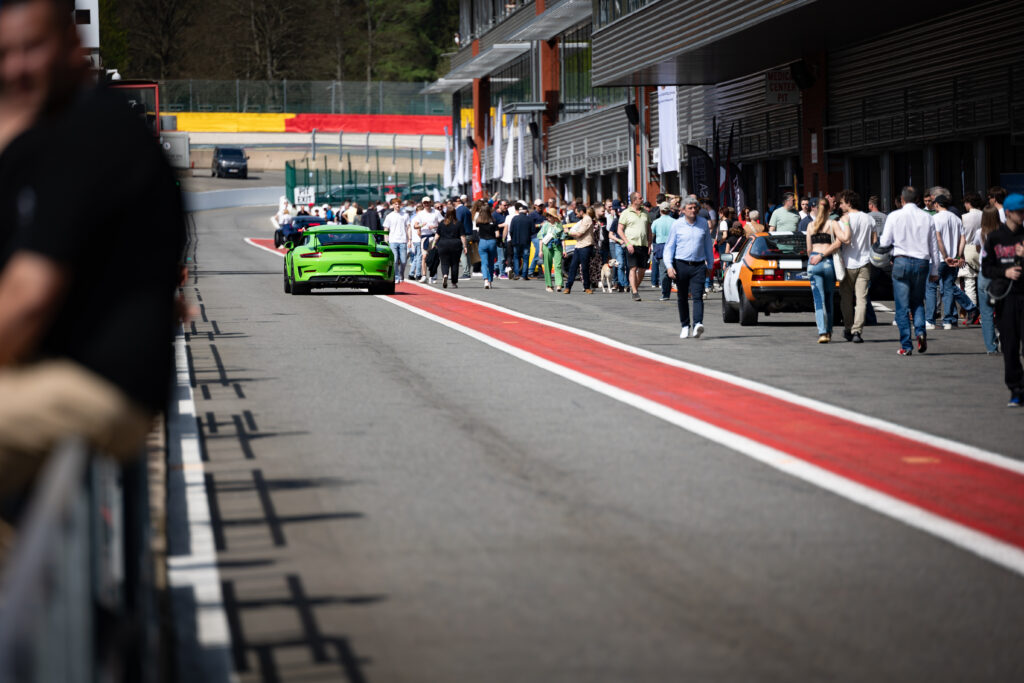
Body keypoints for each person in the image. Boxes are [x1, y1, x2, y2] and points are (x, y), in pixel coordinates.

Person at [0, 0, 185, 499]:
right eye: (5, 53)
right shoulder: (60, 130)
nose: (17, 66)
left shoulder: (88, 132)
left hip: (99, 383)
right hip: (81, 370)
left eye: (32, 47)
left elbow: (27, 298)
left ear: (72, 45)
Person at [879, 186, 941, 356]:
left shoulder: (894, 216)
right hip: (922, 262)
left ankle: (906, 345)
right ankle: (920, 333)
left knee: (902, 306)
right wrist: (935, 269)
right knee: (917, 302)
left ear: (902, 199)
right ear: (918, 200)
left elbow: (884, 242)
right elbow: (933, 246)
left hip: (901, 261)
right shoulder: (927, 218)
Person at [981, 193, 1024, 406]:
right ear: (1008, 212)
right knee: (1010, 346)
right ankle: (1016, 389)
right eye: (1019, 212)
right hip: (1006, 298)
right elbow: (986, 268)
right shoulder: (996, 237)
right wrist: (1005, 272)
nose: (1022, 215)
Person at [664, 197, 714, 339]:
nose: (693, 211)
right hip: (681, 265)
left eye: (695, 208)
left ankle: (698, 324)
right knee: (682, 297)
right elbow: (669, 247)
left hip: (698, 265)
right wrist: (669, 266)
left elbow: (707, 246)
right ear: (683, 210)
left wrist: (710, 265)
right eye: (690, 208)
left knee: (698, 296)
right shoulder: (677, 225)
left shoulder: (703, 223)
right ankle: (685, 325)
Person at [925, 193, 978, 330]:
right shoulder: (956, 219)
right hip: (954, 259)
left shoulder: (935, 218)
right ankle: (947, 320)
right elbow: (963, 239)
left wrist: (944, 255)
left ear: (936, 204)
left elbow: (938, 239)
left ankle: (930, 320)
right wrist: (958, 255)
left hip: (938, 258)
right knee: (948, 288)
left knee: (931, 287)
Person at [806, 197, 847, 343]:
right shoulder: (832, 223)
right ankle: (829, 331)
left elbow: (809, 249)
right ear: (829, 209)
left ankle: (822, 332)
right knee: (829, 298)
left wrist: (815, 256)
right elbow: (840, 241)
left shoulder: (811, 225)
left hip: (814, 263)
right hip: (828, 262)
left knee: (818, 300)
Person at [836, 191, 874, 343]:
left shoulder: (844, 220)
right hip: (865, 261)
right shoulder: (869, 218)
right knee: (861, 299)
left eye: (842, 203)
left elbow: (841, 242)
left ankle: (848, 328)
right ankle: (857, 331)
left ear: (849, 203)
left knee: (846, 298)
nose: (840, 205)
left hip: (847, 263)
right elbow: (874, 240)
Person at [976, 206, 1002, 355]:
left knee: (986, 313)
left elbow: (978, 248)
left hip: (984, 273)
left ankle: (991, 347)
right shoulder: (1003, 232)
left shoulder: (980, 232)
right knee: (1003, 310)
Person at [618, 192, 652, 301]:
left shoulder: (645, 213)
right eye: (640, 198)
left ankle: (634, 288)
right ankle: (635, 292)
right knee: (633, 268)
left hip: (643, 245)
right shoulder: (626, 213)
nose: (642, 200)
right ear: (634, 200)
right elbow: (619, 230)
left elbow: (649, 231)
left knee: (642, 270)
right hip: (631, 245)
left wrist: (650, 244)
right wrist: (627, 243)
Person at [564, 206, 596, 294]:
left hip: (586, 246)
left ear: (581, 211)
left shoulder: (587, 220)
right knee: (573, 267)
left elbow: (579, 233)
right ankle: (568, 287)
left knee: (585, 267)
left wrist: (568, 232)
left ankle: (587, 287)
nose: (576, 215)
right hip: (578, 246)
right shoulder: (582, 220)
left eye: (577, 213)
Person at [433, 208, 467, 289]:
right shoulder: (458, 223)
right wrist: (465, 246)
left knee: (444, 262)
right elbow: (462, 236)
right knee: (454, 264)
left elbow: (437, 236)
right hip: (455, 244)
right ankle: (454, 282)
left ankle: (445, 275)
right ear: (455, 213)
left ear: (446, 213)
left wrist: (434, 244)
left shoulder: (442, 223)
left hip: (443, 244)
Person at [651, 201, 676, 301]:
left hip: (661, 246)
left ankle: (665, 294)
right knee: (677, 268)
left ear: (660, 210)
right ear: (669, 210)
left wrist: (650, 245)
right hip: (673, 246)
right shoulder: (674, 221)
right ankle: (686, 291)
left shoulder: (656, 222)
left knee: (664, 271)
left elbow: (652, 235)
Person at [413, 197, 441, 283]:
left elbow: (442, 223)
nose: (426, 204)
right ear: (422, 204)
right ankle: (424, 275)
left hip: (434, 237)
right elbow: (415, 226)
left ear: (430, 203)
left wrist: (435, 226)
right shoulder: (420, 214)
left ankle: (433, 274)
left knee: (434, 257)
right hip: (424, 237)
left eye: (428, 203)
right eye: (424, 203)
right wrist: (421, 225)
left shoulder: (436, 212)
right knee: (424, 257)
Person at [383, 197, 410, 284]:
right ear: (393, 205)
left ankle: (401, 274)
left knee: (403, 261)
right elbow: (386, 228)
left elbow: (408, 227)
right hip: (393, 240)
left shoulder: (405, 215)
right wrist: (386, 240)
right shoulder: (389, 216)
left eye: (398, 204)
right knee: (394, 260)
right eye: (395, 204)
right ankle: (396, 276)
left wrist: (410, 239)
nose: (397, 205)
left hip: (403, 240)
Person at [538, 208, 565, 292]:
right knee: (547, 265)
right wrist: (540, 250)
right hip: (546, 245)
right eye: (547, 216)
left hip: (556, 245)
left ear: (554, 217)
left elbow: (563, 239)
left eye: (550, 216)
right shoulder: (545, 225)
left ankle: (559, 284)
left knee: (558, 265)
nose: (548, 217)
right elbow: (541, 238)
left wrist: (564, 250)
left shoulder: (559, 225)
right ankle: (549, 285)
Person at [475, 203, 500, 290]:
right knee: (491, 262)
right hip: (492, 242)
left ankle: (485, 280)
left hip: (482, 241)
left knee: (484, 263)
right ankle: (490, 281)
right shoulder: (494, 221)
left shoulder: (479, 221)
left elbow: (477, 230)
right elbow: (497, 234)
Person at [508, 203, 533, 280]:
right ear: (526, 211)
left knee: (516, 257)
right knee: (525, 258)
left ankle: (516, 274)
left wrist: (513, 239)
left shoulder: (514, 219)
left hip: (516, 241)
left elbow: (511, 230)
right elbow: (533, 231)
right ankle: (524, 275)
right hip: (526, 241)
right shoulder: (529, 219)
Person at [528, 199, 546, 277]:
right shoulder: (532, 215)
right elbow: (530, 226)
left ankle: (539, 269)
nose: (540, 207)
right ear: (535, 206)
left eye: (542, 205)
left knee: (544, 252)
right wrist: (540, 225)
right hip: (535, 236)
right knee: (539, 251)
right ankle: (531, 271)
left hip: (544, 236)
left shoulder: (544, 214)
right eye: (539, 206)